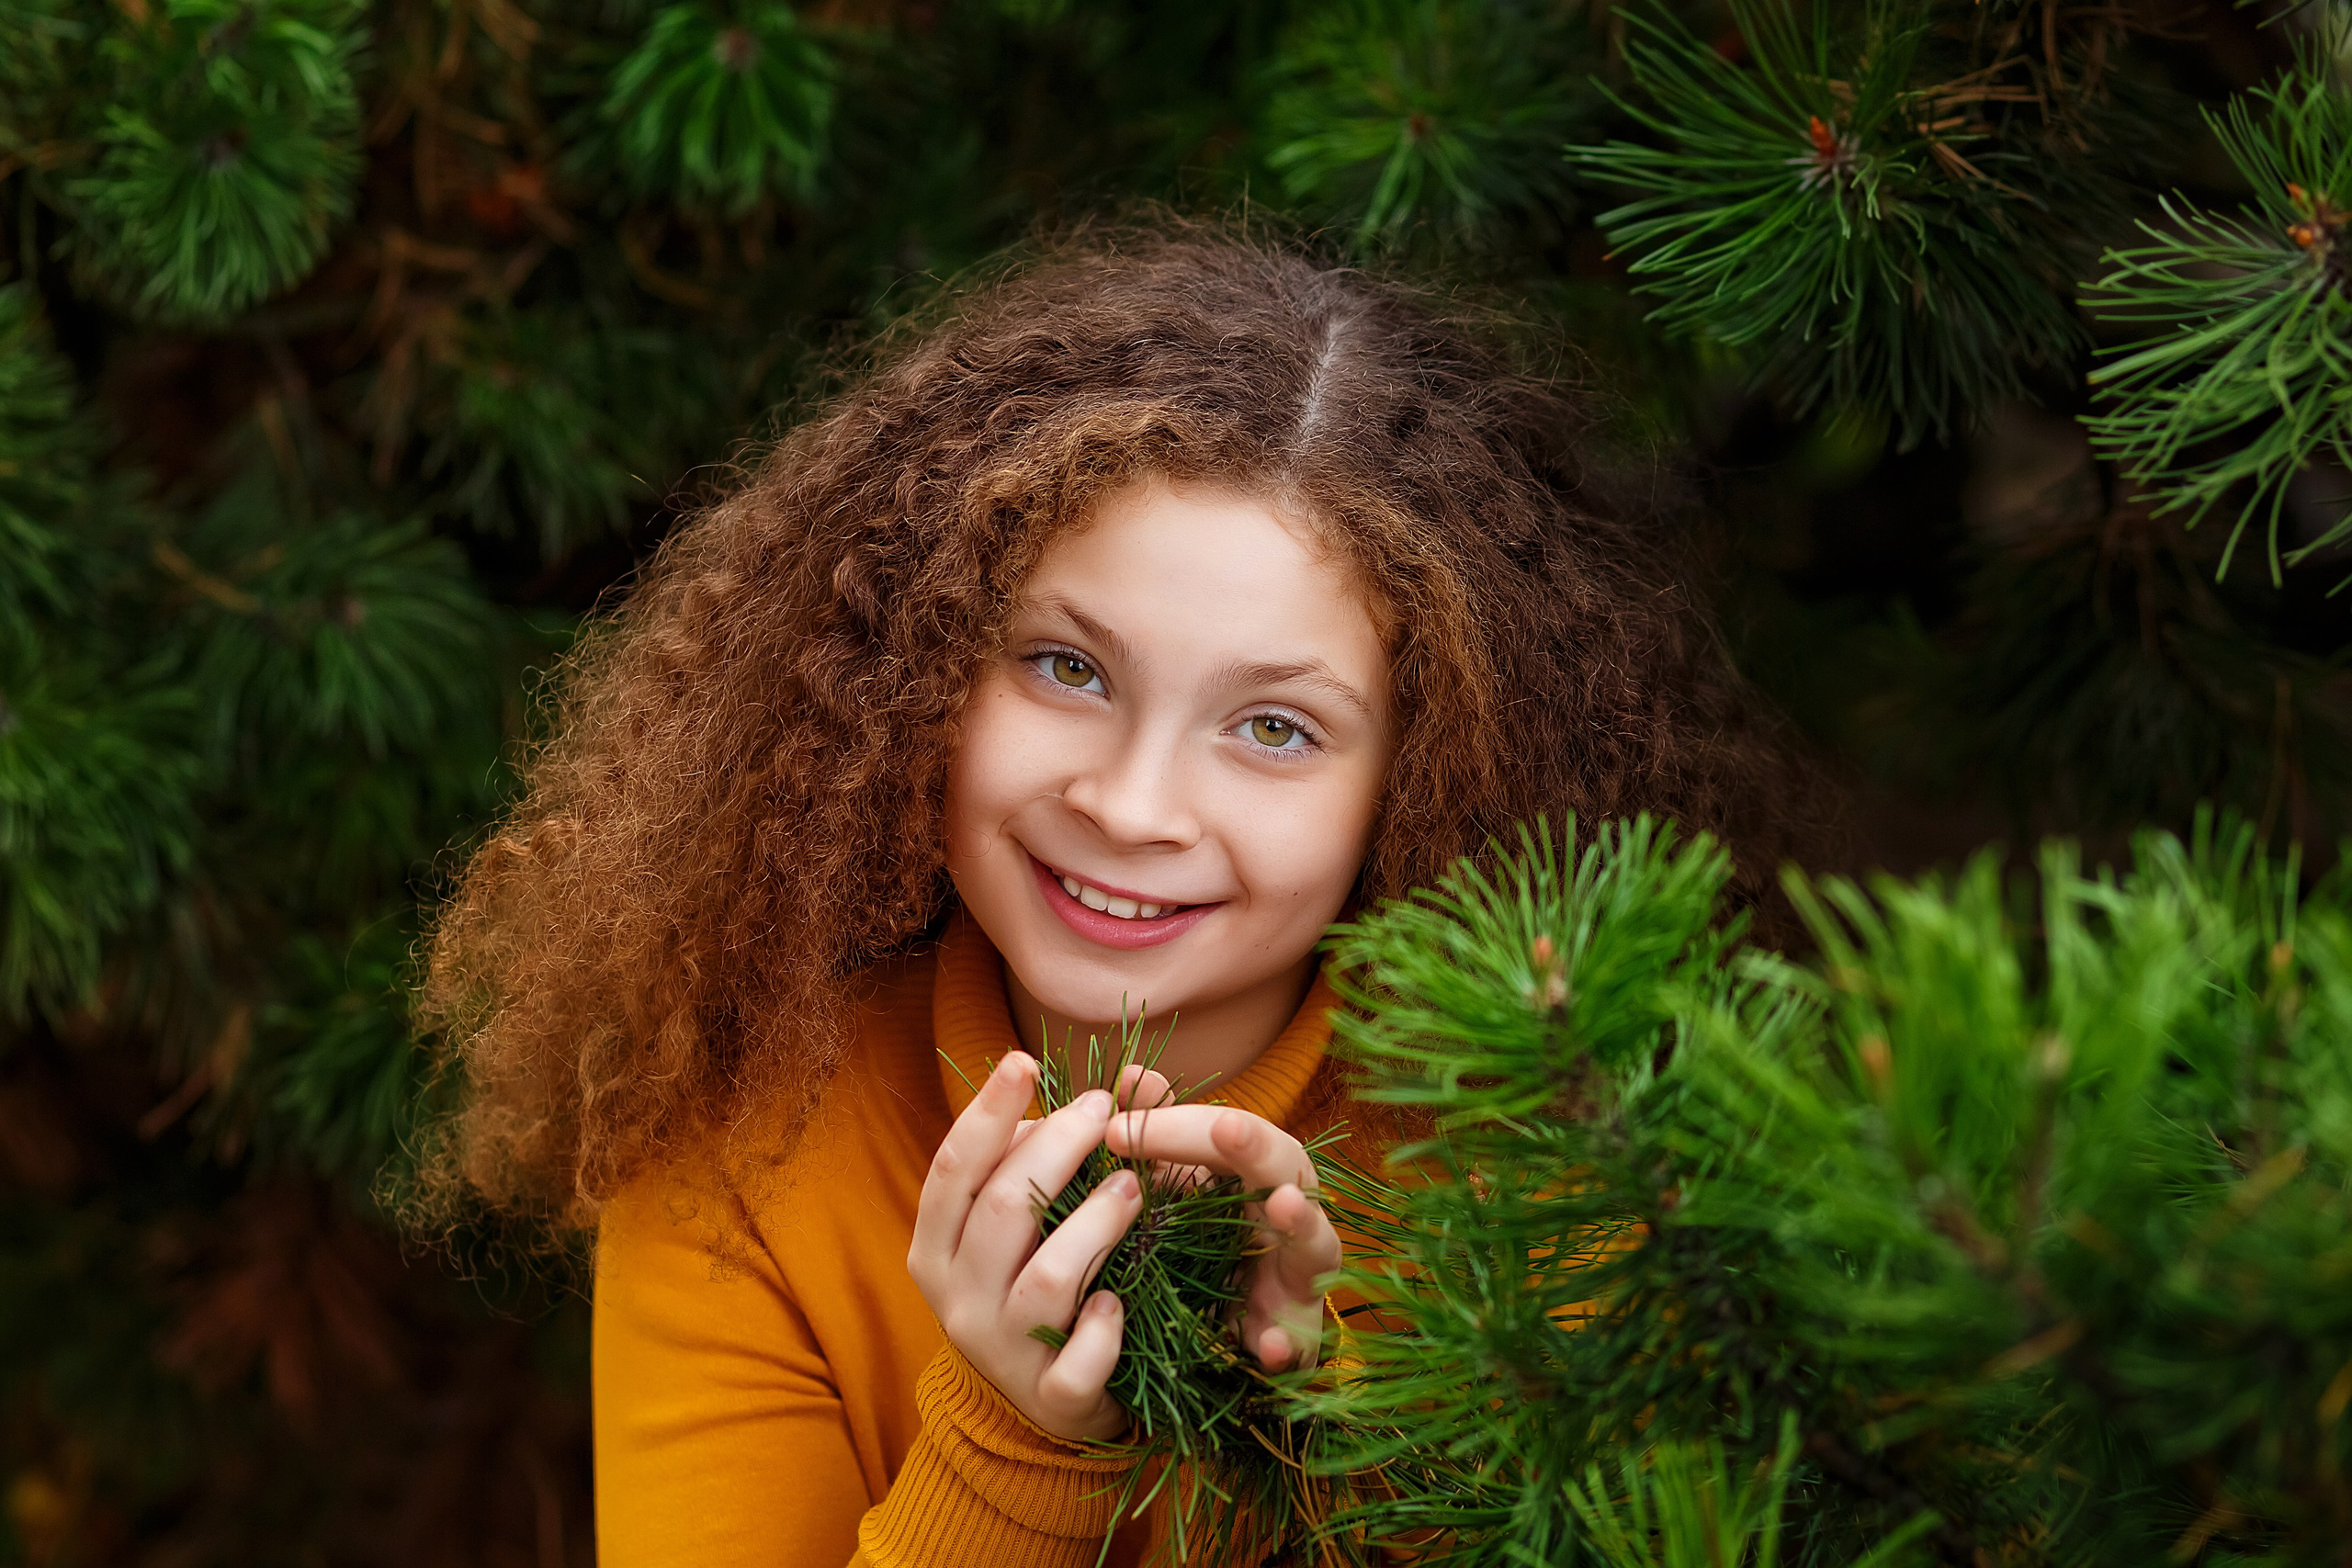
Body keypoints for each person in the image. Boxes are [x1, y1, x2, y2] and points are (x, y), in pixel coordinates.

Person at [415, 225, 1805, 1568]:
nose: (1132, 808)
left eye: (1276, 729)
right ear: (924, 664)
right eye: (1066, 669)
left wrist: (1359, 1431)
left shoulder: (1568, 1166)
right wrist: (1013, 1447)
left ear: (1421, 778)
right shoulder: (743, 1135)